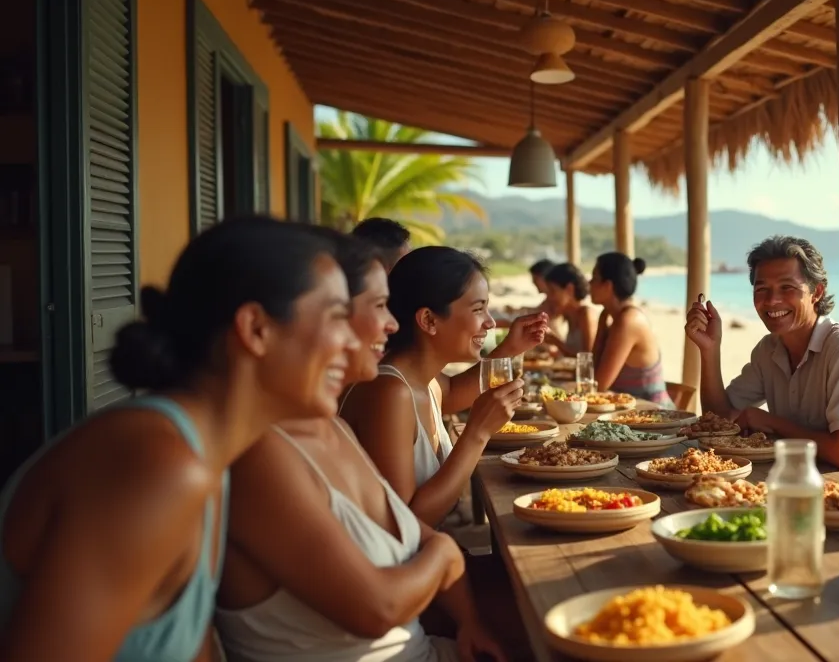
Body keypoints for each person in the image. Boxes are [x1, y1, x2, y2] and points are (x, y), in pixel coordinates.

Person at [0, 218, 356, 660]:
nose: (353, 343)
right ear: (256, 328)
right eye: (339, 318)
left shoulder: (209, 455)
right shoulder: (157, 467)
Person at [216, 232, 502, 662]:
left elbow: (420, 539)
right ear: (259, 328)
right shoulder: (257, 457)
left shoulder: (332, 428)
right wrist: (443, 554)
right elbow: (380, 606)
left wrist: (467, 613)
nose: (390, 325)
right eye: (343, 315)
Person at [339, 247, 533, 528]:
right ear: (429, 320)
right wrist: (477, 433)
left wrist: (511, 348)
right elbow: (405, 528)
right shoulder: (389, 393)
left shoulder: (424, 381)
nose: (490, 323)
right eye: (478, 309)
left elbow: (453, 391)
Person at [686, 236, 839, 483]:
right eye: (762, 289)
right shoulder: (768, 349)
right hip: (794, 484)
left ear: (816, 292)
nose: (772, 301)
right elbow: (719, 420)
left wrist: (771, 422)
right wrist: (710, 350)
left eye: (787, 287)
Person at [590, 252, 672, 406]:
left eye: (594, 278)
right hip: (628, 412)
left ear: (608, 286)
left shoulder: (628, 320)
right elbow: (593, 375)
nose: (589, 284)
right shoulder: (614, 317)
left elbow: (598, 385)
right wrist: (602, 325)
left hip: (653, 418)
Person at [541, 262, 597, 356]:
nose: (549, 297)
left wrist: (556, 342)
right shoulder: (568, 314)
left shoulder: (586, 314)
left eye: (552, 291)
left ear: (569, 289)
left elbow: (588, 359)